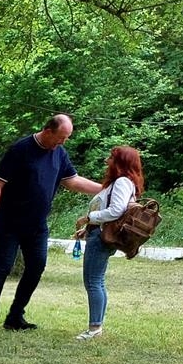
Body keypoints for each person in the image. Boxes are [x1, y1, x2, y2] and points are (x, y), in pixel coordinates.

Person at [0, 113, 103, 332]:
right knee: (3, 268)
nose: (63, 142)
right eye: (61, 137)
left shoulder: (59, 153)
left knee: (36, 267)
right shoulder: (20, 150)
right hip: (9, 223)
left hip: (37, 226)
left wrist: (106, 189)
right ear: (48, 131)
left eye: (67, 138)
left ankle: (15, 316)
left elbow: (73, 181)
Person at [72, 145, 143, 341]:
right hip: (98, 234)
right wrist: (87, 229)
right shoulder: (122, 183)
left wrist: (88, 218)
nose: (107, 161)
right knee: (97, 281)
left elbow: (116, 211)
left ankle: (94, 328)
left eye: (111, 158)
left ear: (121, 162)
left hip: (101, 238)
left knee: (93, 282)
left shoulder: (121, 182)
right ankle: (96, 325)